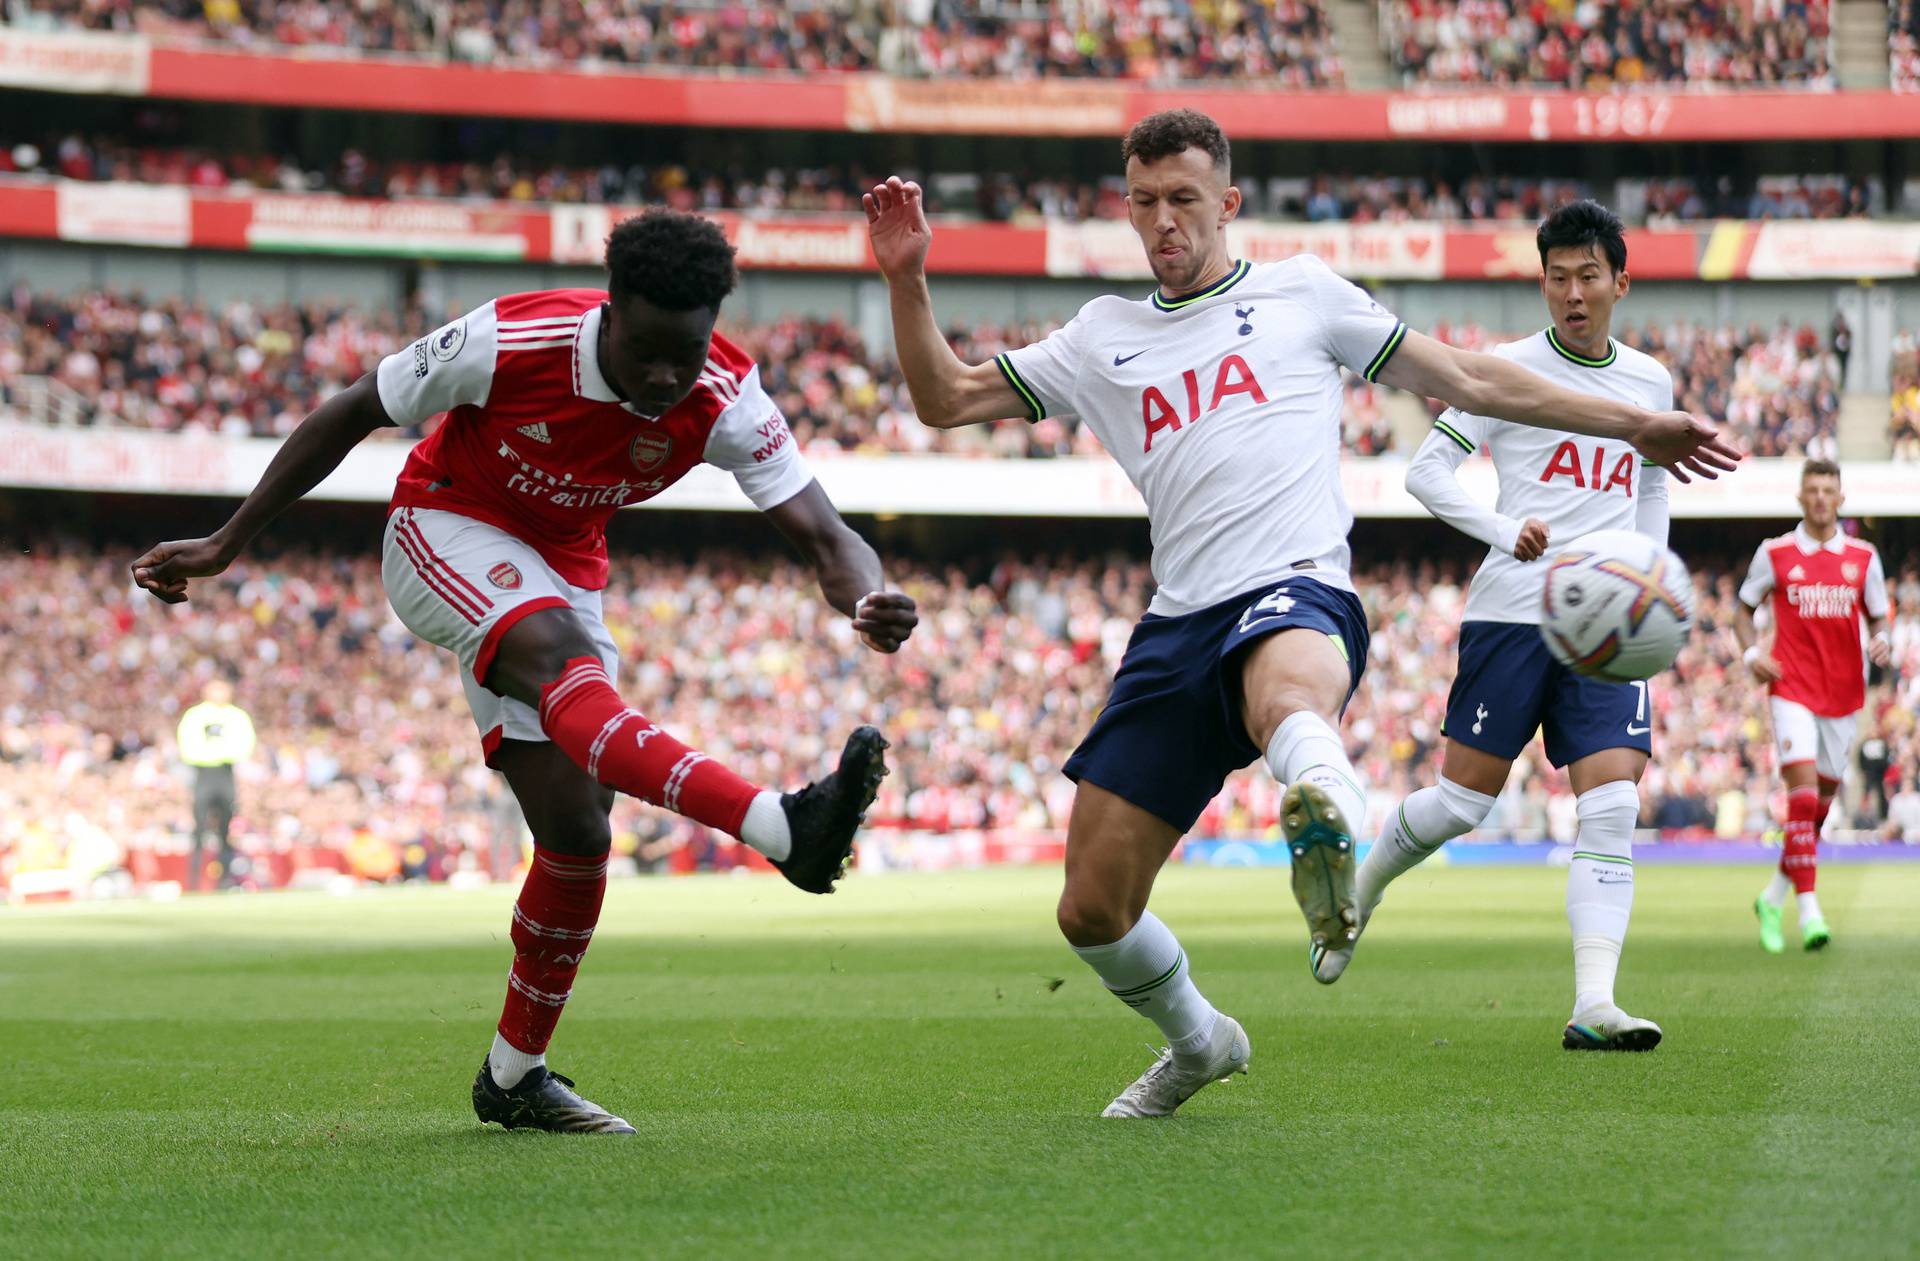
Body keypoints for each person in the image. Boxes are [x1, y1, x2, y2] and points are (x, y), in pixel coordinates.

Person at [863, 110, 1737, 1117]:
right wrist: (905, 277)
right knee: (1092, 909)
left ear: (1228, 204)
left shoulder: (1303, 295)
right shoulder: (1101, 338)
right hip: (1178, 624)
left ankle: (1332, 820)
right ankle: (1200, 1041)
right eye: (1143, 202)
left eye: (1185, 199)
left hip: (1299, 587)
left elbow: (1465, 375)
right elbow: (945, 397)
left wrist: (1639, 425)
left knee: (1287, 691)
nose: (1164, 223)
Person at [131, 209, 919, 1134]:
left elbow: (828, 536)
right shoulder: (511, 338)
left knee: (580, 834)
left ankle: (514, 1075)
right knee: (561, 660)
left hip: (565, 569)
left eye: (690, 351)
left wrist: (868, 596)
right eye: (651, 352)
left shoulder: (725, 389)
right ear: (610, 310)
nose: (670, 378)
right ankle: (781, 826)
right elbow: (354, 408)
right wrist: (229, 541)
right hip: (444, 524)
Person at [1336, 201, 1675, 1053]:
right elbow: (1427, 471)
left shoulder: (1650, 383)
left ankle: (1594, 1002)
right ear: (1543, 284)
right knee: (1462, 803)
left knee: (1614, 803)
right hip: (1512, 611)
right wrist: (1500, 529)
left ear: (1619, 283)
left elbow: (1653, 482)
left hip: (1604, 622)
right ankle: (1358, 889)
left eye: (1587, 275)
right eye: (1556, 277)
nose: (1571, 291)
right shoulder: (1504, 372)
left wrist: (1647, 572)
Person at [1734, 460, 1892, 953]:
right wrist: (1752, 653)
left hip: (1844, 695)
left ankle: (1772, 896)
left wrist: (1883, 642)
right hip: (1791, 687)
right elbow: (1743, 609)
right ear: (1801, 498)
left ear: (1841, 499)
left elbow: (1881, 619)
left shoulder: (1863, 558)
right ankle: (1809, 911)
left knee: (1815, 815)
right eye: (1813, 490)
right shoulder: (1775, 553)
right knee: (1801, 801)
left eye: (1829, 490)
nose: (1821, 498)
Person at [175, 679, 257, 892]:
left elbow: (245, 746)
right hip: (204, 773)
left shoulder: (236, 716)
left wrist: (221, 754)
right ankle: (193, 881)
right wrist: (216, 754)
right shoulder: (195, 715)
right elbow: (188, 748)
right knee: (199, 827)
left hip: (225, 773)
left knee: (225, 828)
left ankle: (224, 880)